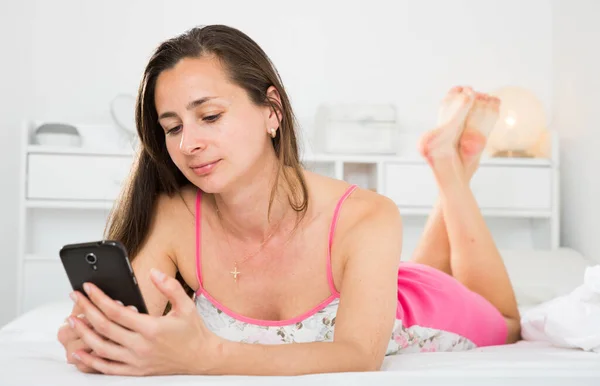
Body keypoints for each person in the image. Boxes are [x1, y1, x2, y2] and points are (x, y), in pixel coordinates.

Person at [57, 24, 521, 376]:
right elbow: (131, 333)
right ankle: (450, 165)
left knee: (509, 322)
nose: (188, 143)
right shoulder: (173, 215)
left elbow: (359, 356)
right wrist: (96, 338)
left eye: (210, 116)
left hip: (420, 310)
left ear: (272, 111)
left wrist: (204, 356)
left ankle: (451, 171)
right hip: (369, 280)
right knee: (419, 268)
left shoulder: (369, 215)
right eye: (173, 127)